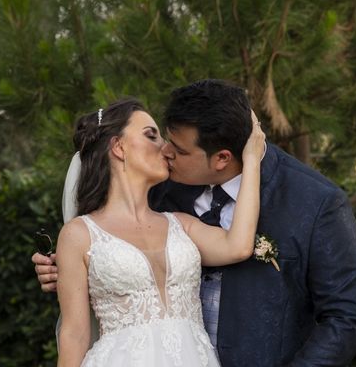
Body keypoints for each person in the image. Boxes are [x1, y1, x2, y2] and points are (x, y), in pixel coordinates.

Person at [34, 79, 356, 366]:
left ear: (222, 158)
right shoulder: (160, 186)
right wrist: (66, 268)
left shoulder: (314, 202)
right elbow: (110, 250)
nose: (165, 151)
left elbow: (347, 318)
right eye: (159, 137)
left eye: (177, 150)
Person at [54, 97, 265, 366]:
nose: (165, 148)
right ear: (119, 147)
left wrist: (251, 161)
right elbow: (75, 335)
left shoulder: (181, 223)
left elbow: (239, 246)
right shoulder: (79, 235)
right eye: (151, 135)